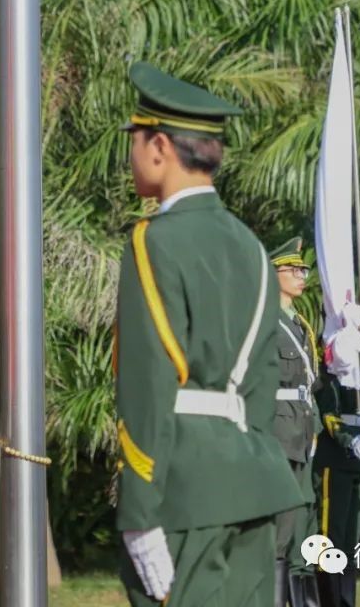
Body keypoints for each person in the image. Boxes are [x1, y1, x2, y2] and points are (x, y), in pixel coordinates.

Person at [114, 62, 303, 606]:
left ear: (159, 147)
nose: (132, 154)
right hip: (253, 479)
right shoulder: (251, 247)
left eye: (135, 140)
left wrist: (139, 507)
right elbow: (261, 382)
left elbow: (149, 380)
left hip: (183, 488)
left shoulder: (155, 240)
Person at [269, 238, 323, 607]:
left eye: (303, 269)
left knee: (298, 520)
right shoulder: (266, 322)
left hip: (300, 431)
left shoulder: (299, 323)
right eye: (294, 270)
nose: (302, 276)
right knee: (277, 526)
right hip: (277, 431)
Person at [311, 338, 360, 607]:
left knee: (350, 545)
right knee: (330, 540)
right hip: (335, 463)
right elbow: (328, 415)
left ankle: (347, 602)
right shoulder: (330, 373)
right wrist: (349, 439)